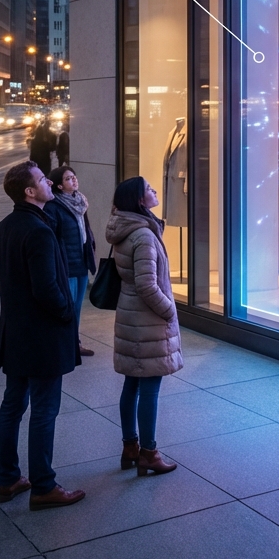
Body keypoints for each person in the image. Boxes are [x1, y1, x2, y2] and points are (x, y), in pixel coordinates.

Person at [0, 161, 84, 510]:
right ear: (30, 192)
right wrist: (66, 315)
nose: (49, 182)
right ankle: (44, 485)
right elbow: (48, 289)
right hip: (42, 336)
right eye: (43, 179)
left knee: (13, 405)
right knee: (45, 408)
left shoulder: (5, 226)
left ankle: (9, 479)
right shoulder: (40, 230)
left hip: (14, 332)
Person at [105, 176, 183, 476]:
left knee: (132, 384)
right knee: (149, 387)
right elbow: (147, 285)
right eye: (149, 189)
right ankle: (149, 452)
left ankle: (130, 446)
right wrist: (169, 311)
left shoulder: (126, 228)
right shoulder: (144, 235)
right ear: (139, 200)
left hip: (130, 315)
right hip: (147, 321)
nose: (154, 191)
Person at [46, 165, 97, 358]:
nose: (74, 180)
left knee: (76, 307)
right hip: (66, 265)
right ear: (59, 185)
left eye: (74, 177)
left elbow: (86, 231)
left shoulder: (80, 202)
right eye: (68, 178)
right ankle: (65, 344)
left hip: (82, 262)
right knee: (67, 307)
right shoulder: (54, 206)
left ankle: (74, 342)